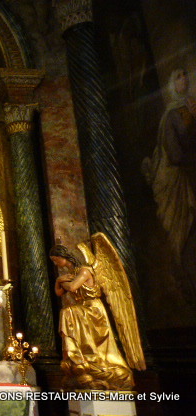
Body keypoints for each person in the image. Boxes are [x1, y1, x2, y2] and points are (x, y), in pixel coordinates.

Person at [49, 237, 145, 390]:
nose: (55, 263)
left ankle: (89, 358)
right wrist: (58, 282)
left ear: (63, 257)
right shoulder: (73, 272)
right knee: (68, 312)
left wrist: (61, 280)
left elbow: (72, 287)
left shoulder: (84, 271)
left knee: (68, 312)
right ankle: (78, 357)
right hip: (83, 308)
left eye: (56, 260)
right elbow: (59, 292)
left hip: (93, 309)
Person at [142, 68, 196, 298]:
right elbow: (175, 154)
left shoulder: (188, 108)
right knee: (181, 232)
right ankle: (183, 283)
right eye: (178, 76)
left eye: (185, 75)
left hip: (185, 175)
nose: (184, 79)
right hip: (174, 180)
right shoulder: (172, 115)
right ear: (172, 84)